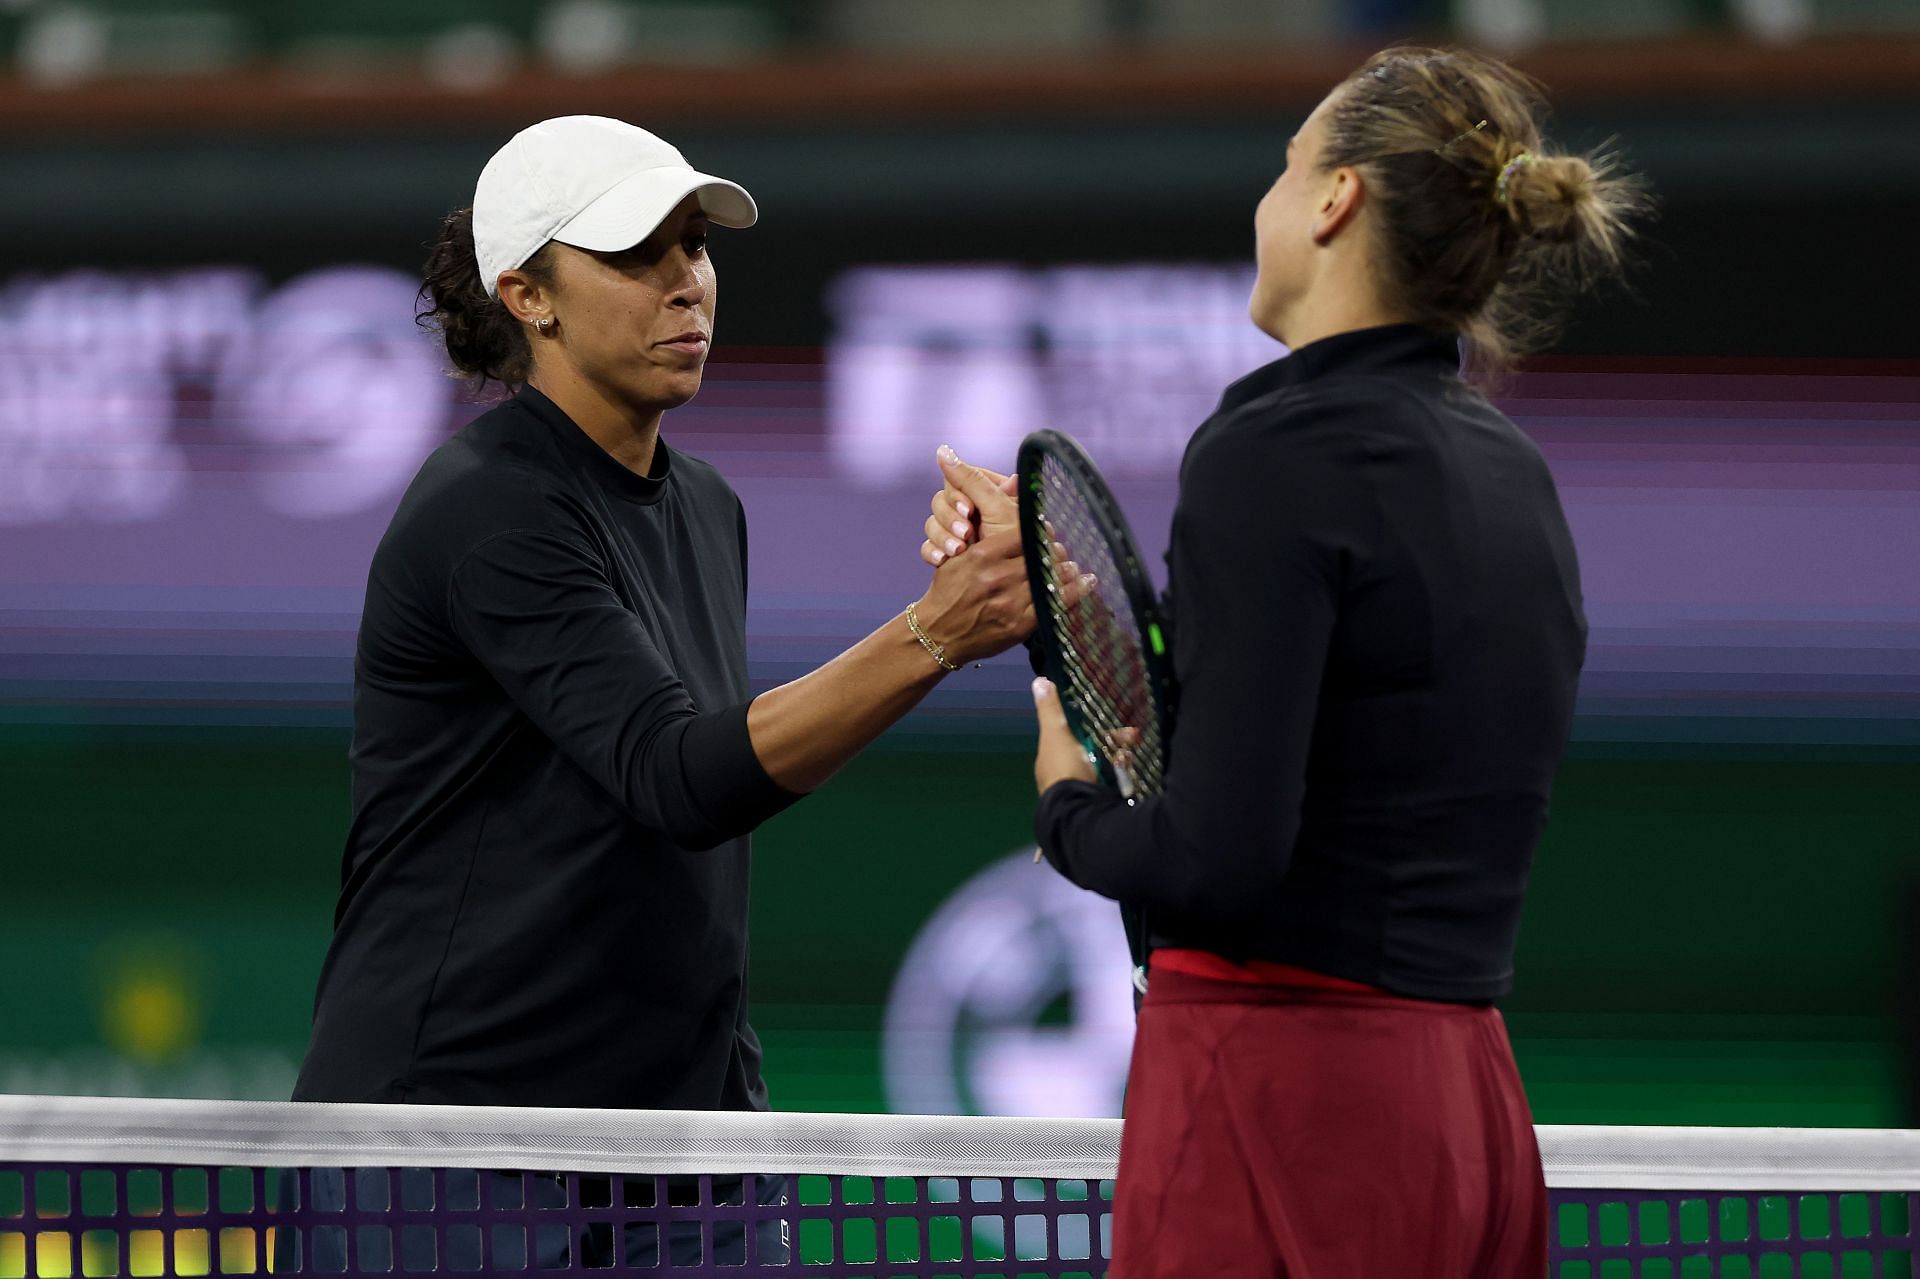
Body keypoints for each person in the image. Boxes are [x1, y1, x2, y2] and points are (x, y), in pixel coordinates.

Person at [931, 46, 1644, 1279]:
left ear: (1336, 200)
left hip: (1287, 1096)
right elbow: (1356, 751)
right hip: (1469, 1110)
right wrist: (1069, 617)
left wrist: (1068, 808)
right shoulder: (1508, 472)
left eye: (1285, 165)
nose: (1267, 199)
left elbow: (1217, 859)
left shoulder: (1272, 451)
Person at [288, 115, 1031, 1267]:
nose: (688, 283)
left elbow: (681, 851)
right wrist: (936, 631)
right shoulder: (487, 508)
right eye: (640, 254)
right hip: (451, 1156)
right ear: (527, 296)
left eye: (695, 248)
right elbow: (678, 775)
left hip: (679, 1167)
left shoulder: (705, 508)